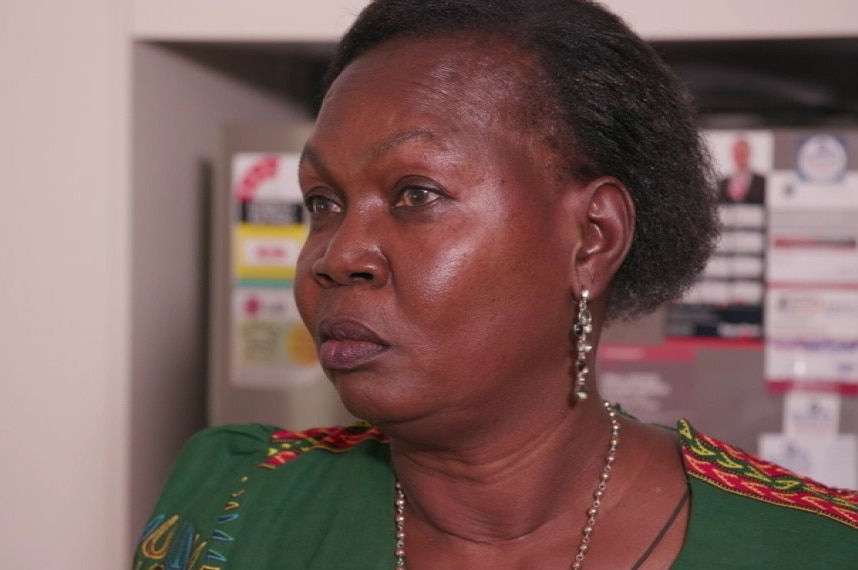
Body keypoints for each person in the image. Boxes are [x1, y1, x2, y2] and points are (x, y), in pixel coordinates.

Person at [135, 1, 858, 568]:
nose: (338, 254)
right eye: (323, 203)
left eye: (415, 194)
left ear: (593, 238)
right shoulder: (235, 502)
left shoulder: (814, 547)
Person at [717, 138, 767, 204]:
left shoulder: (761, 181)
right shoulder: (723, 183)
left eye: (743, 152)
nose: (740, 155)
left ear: (749, 153)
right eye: (737, 152)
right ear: (733, 154)